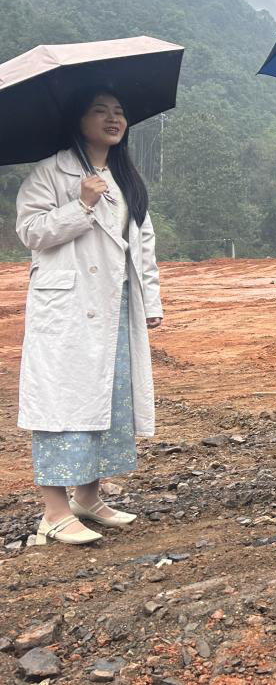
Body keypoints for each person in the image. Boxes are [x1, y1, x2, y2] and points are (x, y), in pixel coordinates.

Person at [15, 88, 163, 545]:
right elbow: (29, 232)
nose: (113, 118)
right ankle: (54, 512)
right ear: (78, 120)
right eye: (100, 111)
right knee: (64, 403)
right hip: (69, 309)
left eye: (119, 111)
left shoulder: (125, 178)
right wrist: (80, 206)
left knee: (108, 400)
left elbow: (143, 244)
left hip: (115, 305)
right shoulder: (50, 172)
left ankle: (87, 496)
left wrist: (151, 302)